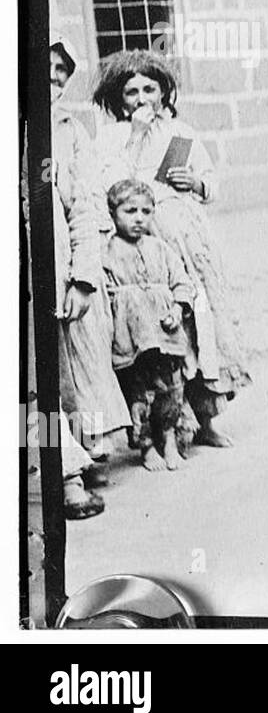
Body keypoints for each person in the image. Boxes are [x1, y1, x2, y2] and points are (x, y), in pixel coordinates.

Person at [93, 50, 249, 450]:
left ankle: (206, 417)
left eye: (150, 89)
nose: (142, 98)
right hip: (141, 243)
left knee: (201, 320)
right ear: (119, 98)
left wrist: (195, 183)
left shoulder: (182, 132)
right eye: (132, 92)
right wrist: (134, 136)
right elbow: (109, 184)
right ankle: (154, 430)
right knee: (160, 329)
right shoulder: (113, 137)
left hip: (187, 236)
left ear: (164, 93)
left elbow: (212, 184)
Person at [49, 41, 131, 478]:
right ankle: (55, 466)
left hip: (63, 259)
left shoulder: (68, 130)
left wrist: (82, 276)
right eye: (44, 65)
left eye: (63, 70)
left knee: (79, 361)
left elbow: (83, 204)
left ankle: (82, 454)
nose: (54, 77)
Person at [102, 179, 195, 472]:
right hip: (132, 340)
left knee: (171, 388)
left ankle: (168, 439)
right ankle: (145, 446)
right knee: (138, 393)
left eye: (146, 211)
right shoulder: (107, 251)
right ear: (113, 213)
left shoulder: (160, 248)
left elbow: (182, 282)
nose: (139, 218)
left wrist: (178, 308)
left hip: (165, 335)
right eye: (130, 211)